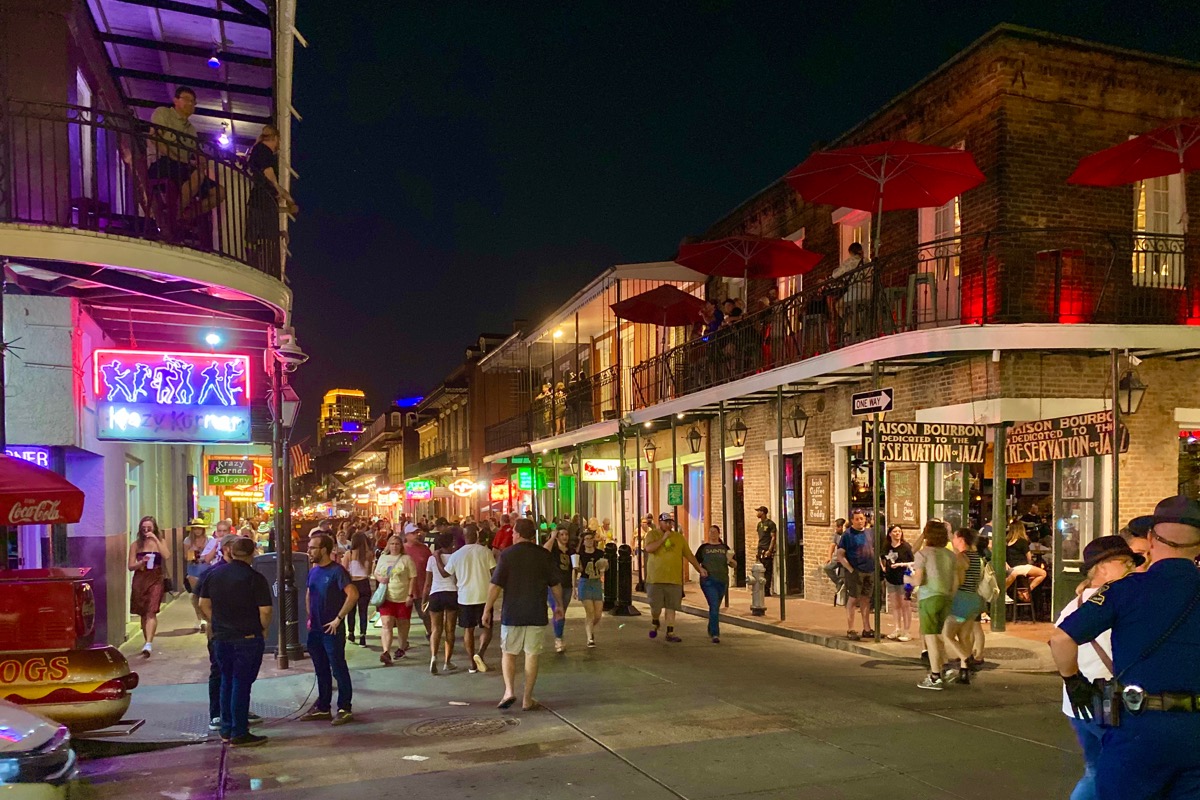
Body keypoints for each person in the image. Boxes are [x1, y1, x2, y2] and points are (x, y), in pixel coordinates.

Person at [1051, 496, 1200, 800]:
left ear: (1151, 539)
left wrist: (1073, 680)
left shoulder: (1124, 589)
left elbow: (1062, 639)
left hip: (1139, 728)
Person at [1052, 536, 1143, 800]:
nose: (1133, 568)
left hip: (1076, 702)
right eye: (1125, 562)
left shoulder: (1075, 605)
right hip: (1108, 699)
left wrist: (1071, 680)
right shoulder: (1116, 604)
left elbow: (1058, 643)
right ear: (1102, 568)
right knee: (1125, 770)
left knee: (1094, 769)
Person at [197, 537, 272, 747]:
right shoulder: (255, 578)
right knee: (241, 683)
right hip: (246, 638)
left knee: (226, 681)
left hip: (221, 638)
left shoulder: (214, 575)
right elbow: (265, 610)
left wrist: (217, 621)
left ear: (232, 552)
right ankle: (239, 730)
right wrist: (262, 630)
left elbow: (203, 603)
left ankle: (226, 728)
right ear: (252, 553)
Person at [483, 518, 564, 711]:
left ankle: (509, 691)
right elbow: (555, 584)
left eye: (513, 532)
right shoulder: (544, 555)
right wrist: (558, 605)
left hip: (513, 612)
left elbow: (495, 585)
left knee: (509, 653)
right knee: (532, 655)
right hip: (536, 612)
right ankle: (527, 698)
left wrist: (487, 608)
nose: (512, 535)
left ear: (518, 533)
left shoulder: (507, 555)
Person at [299, 534, 357, 726]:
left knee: (338, 667)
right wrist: (310, 618)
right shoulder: (314, 571)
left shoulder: (337, 572)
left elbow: (353, 594)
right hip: (316, 628)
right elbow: (309, 594)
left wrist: (338, 619)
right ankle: (323, 706)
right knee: (320, 668)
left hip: (331, 629)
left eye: (313, 548)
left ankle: (344, 707)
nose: (309, 551)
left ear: (324, 550)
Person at [149, 86, 224, 220]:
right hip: (163, 163)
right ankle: (174, 216)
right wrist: (178, 158)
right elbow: (156, 139)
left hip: (183, 167)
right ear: (175, 100)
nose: (190, 103)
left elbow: (195, 152)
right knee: (197, 175)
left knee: (219, 193)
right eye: (187, 99)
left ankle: (181, 216)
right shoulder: (163, 113)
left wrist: (201, 160)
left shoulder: (191, 129)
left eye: (193, 101)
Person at [644, 512, 707, 643]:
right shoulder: (652, 534)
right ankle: (655, 620)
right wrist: (663, 539)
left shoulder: (678, 538)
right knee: (655, 607)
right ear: (660, 522)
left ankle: (670, 631)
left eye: (670, 522)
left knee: (671, 606)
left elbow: (689, 555)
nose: (668, 524)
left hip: (674, 579)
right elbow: (649, 548)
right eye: (665, 522)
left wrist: (699, 569)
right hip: (655, 579)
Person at [912, 519, 958, 690]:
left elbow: (918, 579)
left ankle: (934, 676)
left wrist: (906, 579)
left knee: (930, 637)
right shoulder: (950, 555)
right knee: (939, 635)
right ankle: (944, 667)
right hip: (946, 597)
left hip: (929, 597)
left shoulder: (922, 554)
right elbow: (955, 582)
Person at [245, 123, 298, 272]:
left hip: (262, 201)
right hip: (260, 200)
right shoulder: (263, 150)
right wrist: (283, 194)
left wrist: (286, 203)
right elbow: (269, 175)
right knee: (255, 235)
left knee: (258, 234)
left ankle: (255, 263)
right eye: (278, 141)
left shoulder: (259, 150)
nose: (278, 145)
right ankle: (254, 265)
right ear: (275, 138)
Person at [445, 526, 497, 673]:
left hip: (464, 597)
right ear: (477, 535)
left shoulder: (456, 555)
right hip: (484, 596)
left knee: (468, 630)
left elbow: (447, 573)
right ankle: (479, 654)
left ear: (464, 536)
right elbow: (494, 572)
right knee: (486, 628)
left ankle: (471, 664)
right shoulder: (485, 551)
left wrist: (436, 557)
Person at [942, 528, 986, 685]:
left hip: (961, 600)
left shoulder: (961, 557)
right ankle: (964, 672)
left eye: (954, 537)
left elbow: (958, 582)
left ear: (961, 539)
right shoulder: (978, 558)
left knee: (946, 634)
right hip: (974, 599)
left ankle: (965, 658)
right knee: (965, 636)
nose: (952, 541)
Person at [128, 515, 170, 659]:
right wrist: (141, 563)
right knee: (143, 612)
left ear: (154, 528)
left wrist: (156, 540)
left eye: (149, 528)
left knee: (151, 610)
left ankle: (149, 643)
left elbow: (167, 555)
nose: (146, 530)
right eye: (144, 528)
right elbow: (130, 566)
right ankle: (147, 641)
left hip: (156, 577)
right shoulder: (135, 545)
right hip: (140, 578)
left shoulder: (160, 541)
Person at [373, 534, 416, 665]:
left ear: (401, 546)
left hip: (402, 597)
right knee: (387, 624)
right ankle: (386, 652)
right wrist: (380, 578)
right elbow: (376, 572)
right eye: (392, 544)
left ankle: (401, 647)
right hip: (387, 596)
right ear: (388, 545)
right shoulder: (383, 558)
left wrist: (410, 595)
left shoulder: (406, 559)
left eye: (397, 544)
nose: (394, 546)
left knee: (403, 625)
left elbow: (412, 577)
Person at [835, 510, 876, 640]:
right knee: (853, 599)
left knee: (866, 599)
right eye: (857, 519)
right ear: (852, 520)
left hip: (869, 570)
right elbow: (840, 554)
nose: (860, 521)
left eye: (862, 518)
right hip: (856, 571)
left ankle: (867, 628)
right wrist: (850, 569)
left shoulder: (869, 533)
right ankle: (851, 629)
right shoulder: (847, 535)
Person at [424, 531, 459, 674]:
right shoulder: (455, 558)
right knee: (450, 629)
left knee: (435, 628)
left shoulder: (431, 559)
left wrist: (424, 598)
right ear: (451, 543)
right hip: (451, 593)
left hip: (435, 594)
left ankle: (433, 657)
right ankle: (447, 661)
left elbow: (427, 582)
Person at [695, 525, 734, 643]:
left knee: (715, 606)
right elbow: (696, 562)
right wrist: (701, 570)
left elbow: (734, 564)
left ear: (719, 533)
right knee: (714, 604)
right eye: (710, 531)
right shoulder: (704, 548)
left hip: (722, 580)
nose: (712, 534)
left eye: (714, 532)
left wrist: (731, 560)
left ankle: (711, 628)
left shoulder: (725, 548)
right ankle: (715, 634)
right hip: (708, 581)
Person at [574, 530, 607, 648]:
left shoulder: (599, 553)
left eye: (590, 539)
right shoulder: (580, 555)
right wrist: (574, 588)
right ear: (583, 542)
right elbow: (576, 571)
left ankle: (590, 628)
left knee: (598, 614)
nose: (588, 541)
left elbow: (604, 567)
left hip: (596, 582)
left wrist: (603, 570)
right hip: (585, 582)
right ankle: (589, 637)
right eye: (586, 539)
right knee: (590, 612)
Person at [544, 526, 575, 653]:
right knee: (558, 609)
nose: (564, 537)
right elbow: (544, 550)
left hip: (567, 584)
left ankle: (559, 634)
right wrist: (552, 537)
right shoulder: (553, 550)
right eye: (561, 534)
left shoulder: (570, 551)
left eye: (566, 534)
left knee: (562, 611)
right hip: (553, 585)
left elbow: (574, 567)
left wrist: (575, 584)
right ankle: (558, 638)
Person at [882, 525, 914, 641]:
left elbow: (913, 561)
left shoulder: (905, 547)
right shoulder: (886, 547)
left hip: (904, 578)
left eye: (899, 531)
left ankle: (907, 630)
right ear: (890, 534)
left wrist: (901, 565)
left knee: (905, 605)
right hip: (891, 578)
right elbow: (882, 557)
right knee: (895, 605)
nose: (897, 534)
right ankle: (897, 628)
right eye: (895, 532)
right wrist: (884, 567)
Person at [341, 533, 374, 647]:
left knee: (351, 610)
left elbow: (343, 570)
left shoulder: (348, 554)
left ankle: (351, 633)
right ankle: (363, 636)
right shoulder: (369, 554)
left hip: (352, 583)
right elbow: (369, 571)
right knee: (363, 611)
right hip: (364, 583)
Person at [403, 524, 433, 641]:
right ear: (407, 535)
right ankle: (403, 640)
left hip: (421, 587)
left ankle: (430, 632)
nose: (417, 535)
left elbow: (430, 566)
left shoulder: (424, 549)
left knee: (425, 614)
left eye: (417, 532)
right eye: (413, 533)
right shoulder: (402, 549)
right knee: (404, 617)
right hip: (405, 589)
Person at [1004, 520, 1047, 590]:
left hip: (1011, 567)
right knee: (1043, 573)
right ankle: (1027, 590)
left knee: (1032, 574)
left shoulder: (1007, 542)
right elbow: (1029, 558)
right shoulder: (1022, 541)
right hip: (1021, 567)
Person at [184, 520, 211, 632]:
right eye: (195, 528)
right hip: (193, 569)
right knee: (196, 594)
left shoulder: (209, 539)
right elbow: (186, 556)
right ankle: (200, 618)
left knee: (206, 594)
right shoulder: (188, 540)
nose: (197, 530)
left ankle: (206, 618)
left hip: (207, 569)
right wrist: (192, 553)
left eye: (199, 528)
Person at [754, 506, 778, 597]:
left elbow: (773, 537)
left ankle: (767, 590)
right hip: (760, 549)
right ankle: (760, 588)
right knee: (760, 570)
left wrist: (770, 550)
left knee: (767, 570)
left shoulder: (770, 524)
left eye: (758, 511)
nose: (757, 513)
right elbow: (760, 537)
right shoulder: (759, 525)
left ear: (763, 512)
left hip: (767, 549)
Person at [822, 518, 847, 602]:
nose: (835, 529)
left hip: (845, 560)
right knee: (827, 568)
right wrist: (829, 557)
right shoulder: (836, 535)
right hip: (837, 559)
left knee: (846, 577)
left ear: (841, 527)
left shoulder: (848, 535)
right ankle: (838, 581)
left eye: (837, 527)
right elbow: (832, 545)